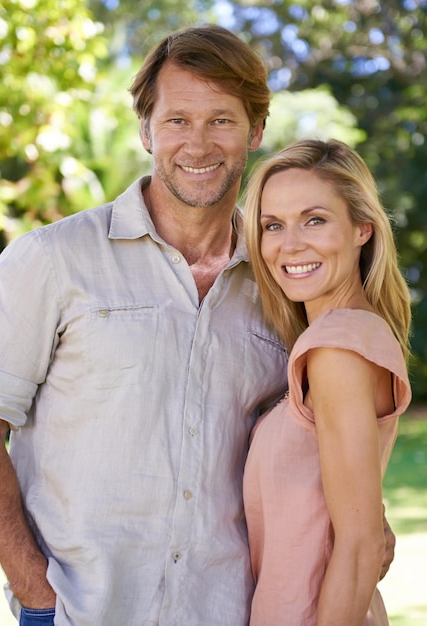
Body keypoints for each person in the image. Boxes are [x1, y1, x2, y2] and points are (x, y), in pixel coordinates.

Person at [0, 27, 394, 626]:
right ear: (146, 129)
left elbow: (329, 449)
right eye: (177, 119)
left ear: (255, 131)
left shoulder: (283, 285)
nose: (198, 143)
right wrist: (38, 598)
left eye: (222, 121)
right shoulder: (54, 259)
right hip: (85, 612)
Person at [242, 138, 412, 625]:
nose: (290, 244)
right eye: (273, 225)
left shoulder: (337, 348)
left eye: (314, 219)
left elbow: (360, 549)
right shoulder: (349, 336)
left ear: (362, 228)